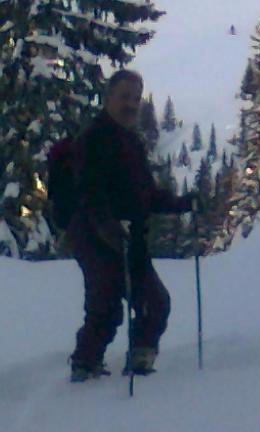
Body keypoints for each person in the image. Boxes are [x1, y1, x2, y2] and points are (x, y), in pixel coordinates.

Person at [66, 69, 201, 383]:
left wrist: (181, 204)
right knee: (107, 307)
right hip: (97, 239)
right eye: (124, 96)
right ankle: (84, 368)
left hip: (129, 240)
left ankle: (139, 362)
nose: (131, 104)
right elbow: (89, 192)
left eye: (136, 98)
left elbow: (146, 195)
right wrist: (107, 227)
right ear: (108, 98)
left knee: (155, 302)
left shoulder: (132, 142)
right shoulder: (93, 139)